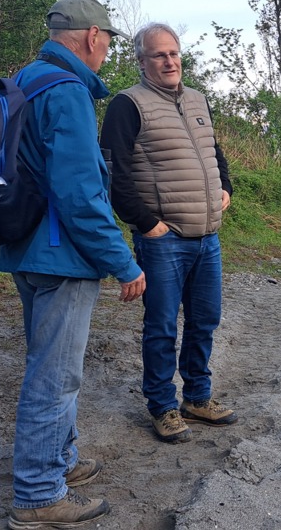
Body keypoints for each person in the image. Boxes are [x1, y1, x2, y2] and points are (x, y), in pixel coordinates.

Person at [0, 0, 146, 529]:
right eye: (107, 42)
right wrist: (123, 262)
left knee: (49, 365)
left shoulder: (28, 78)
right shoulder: (67, 92)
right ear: (92, 38)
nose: (106, 52)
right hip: (61, 255)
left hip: (24, 246)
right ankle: (39, 495)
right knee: (55, 376)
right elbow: (81, 194)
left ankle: (57, 462)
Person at [100, 23, 238, 446]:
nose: (169, 61)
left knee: (204, 321)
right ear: (141, 61)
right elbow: (113, 174)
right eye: (159, 55)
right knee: (161, 326)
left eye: (174, 53)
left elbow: (213, 150)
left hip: (207, 235)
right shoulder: (127, 105)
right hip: (164, 239)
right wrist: (147, 224)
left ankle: (197, 397)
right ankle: (162, 405)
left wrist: (225, 187)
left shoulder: (197, 99)